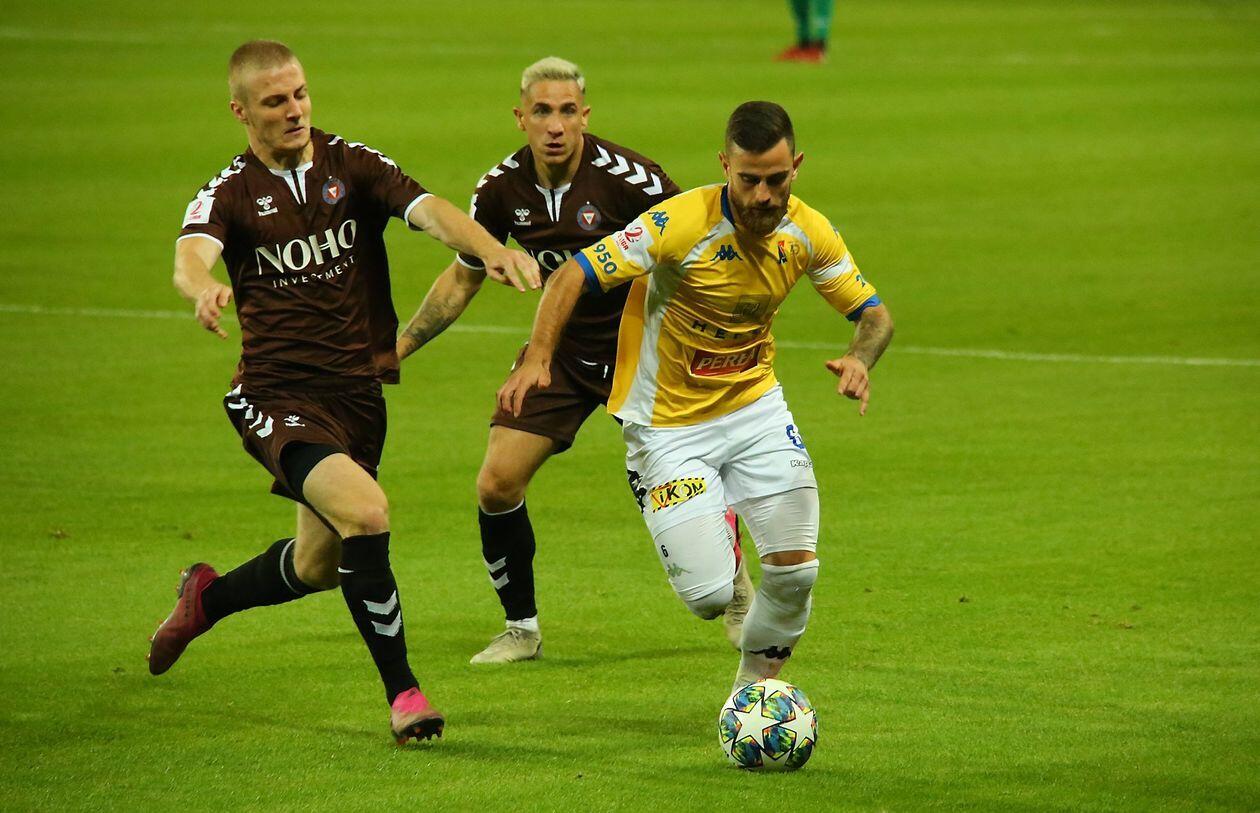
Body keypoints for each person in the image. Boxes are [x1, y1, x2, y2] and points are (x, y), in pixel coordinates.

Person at [147, 40, 539, 744]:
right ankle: (405, 695)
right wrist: (202, 286)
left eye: (299, 93)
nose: (294, 109)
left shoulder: (350, 164)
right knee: (367, 512)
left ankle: (207, 597)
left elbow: (429, 209)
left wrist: (489, 248)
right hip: (275, 394)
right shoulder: (230, 192)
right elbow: (191, 254)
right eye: (275, 101)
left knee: (317, 565)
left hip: (357, 396)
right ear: (241, 111)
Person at [498, 101, 893, 691]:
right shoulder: (679, 223)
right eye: (749, 180)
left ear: (797, 167)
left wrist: (860, 358)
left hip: (755, 408)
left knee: (796, 574)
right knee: (708, 597)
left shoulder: (809, 231)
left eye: (776, 179)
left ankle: (750, 698)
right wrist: (537, 357)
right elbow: (572, 273)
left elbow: (874, 315)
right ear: (725, 167)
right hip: (668, 423)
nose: (763, 196)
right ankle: (663, 490)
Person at [396, 57, 751, 664]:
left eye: (566, 111)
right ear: (521, 117)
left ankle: (738, 590)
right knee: (496, 482)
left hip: (646, 353)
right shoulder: (500, 189)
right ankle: (521, 629)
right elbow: (463, 277)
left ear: (585, 115)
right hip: (559, 354)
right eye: (541, 111)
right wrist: (400, 347)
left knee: (678, 482)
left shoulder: (633, 180)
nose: (555, 125)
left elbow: (696, 247)